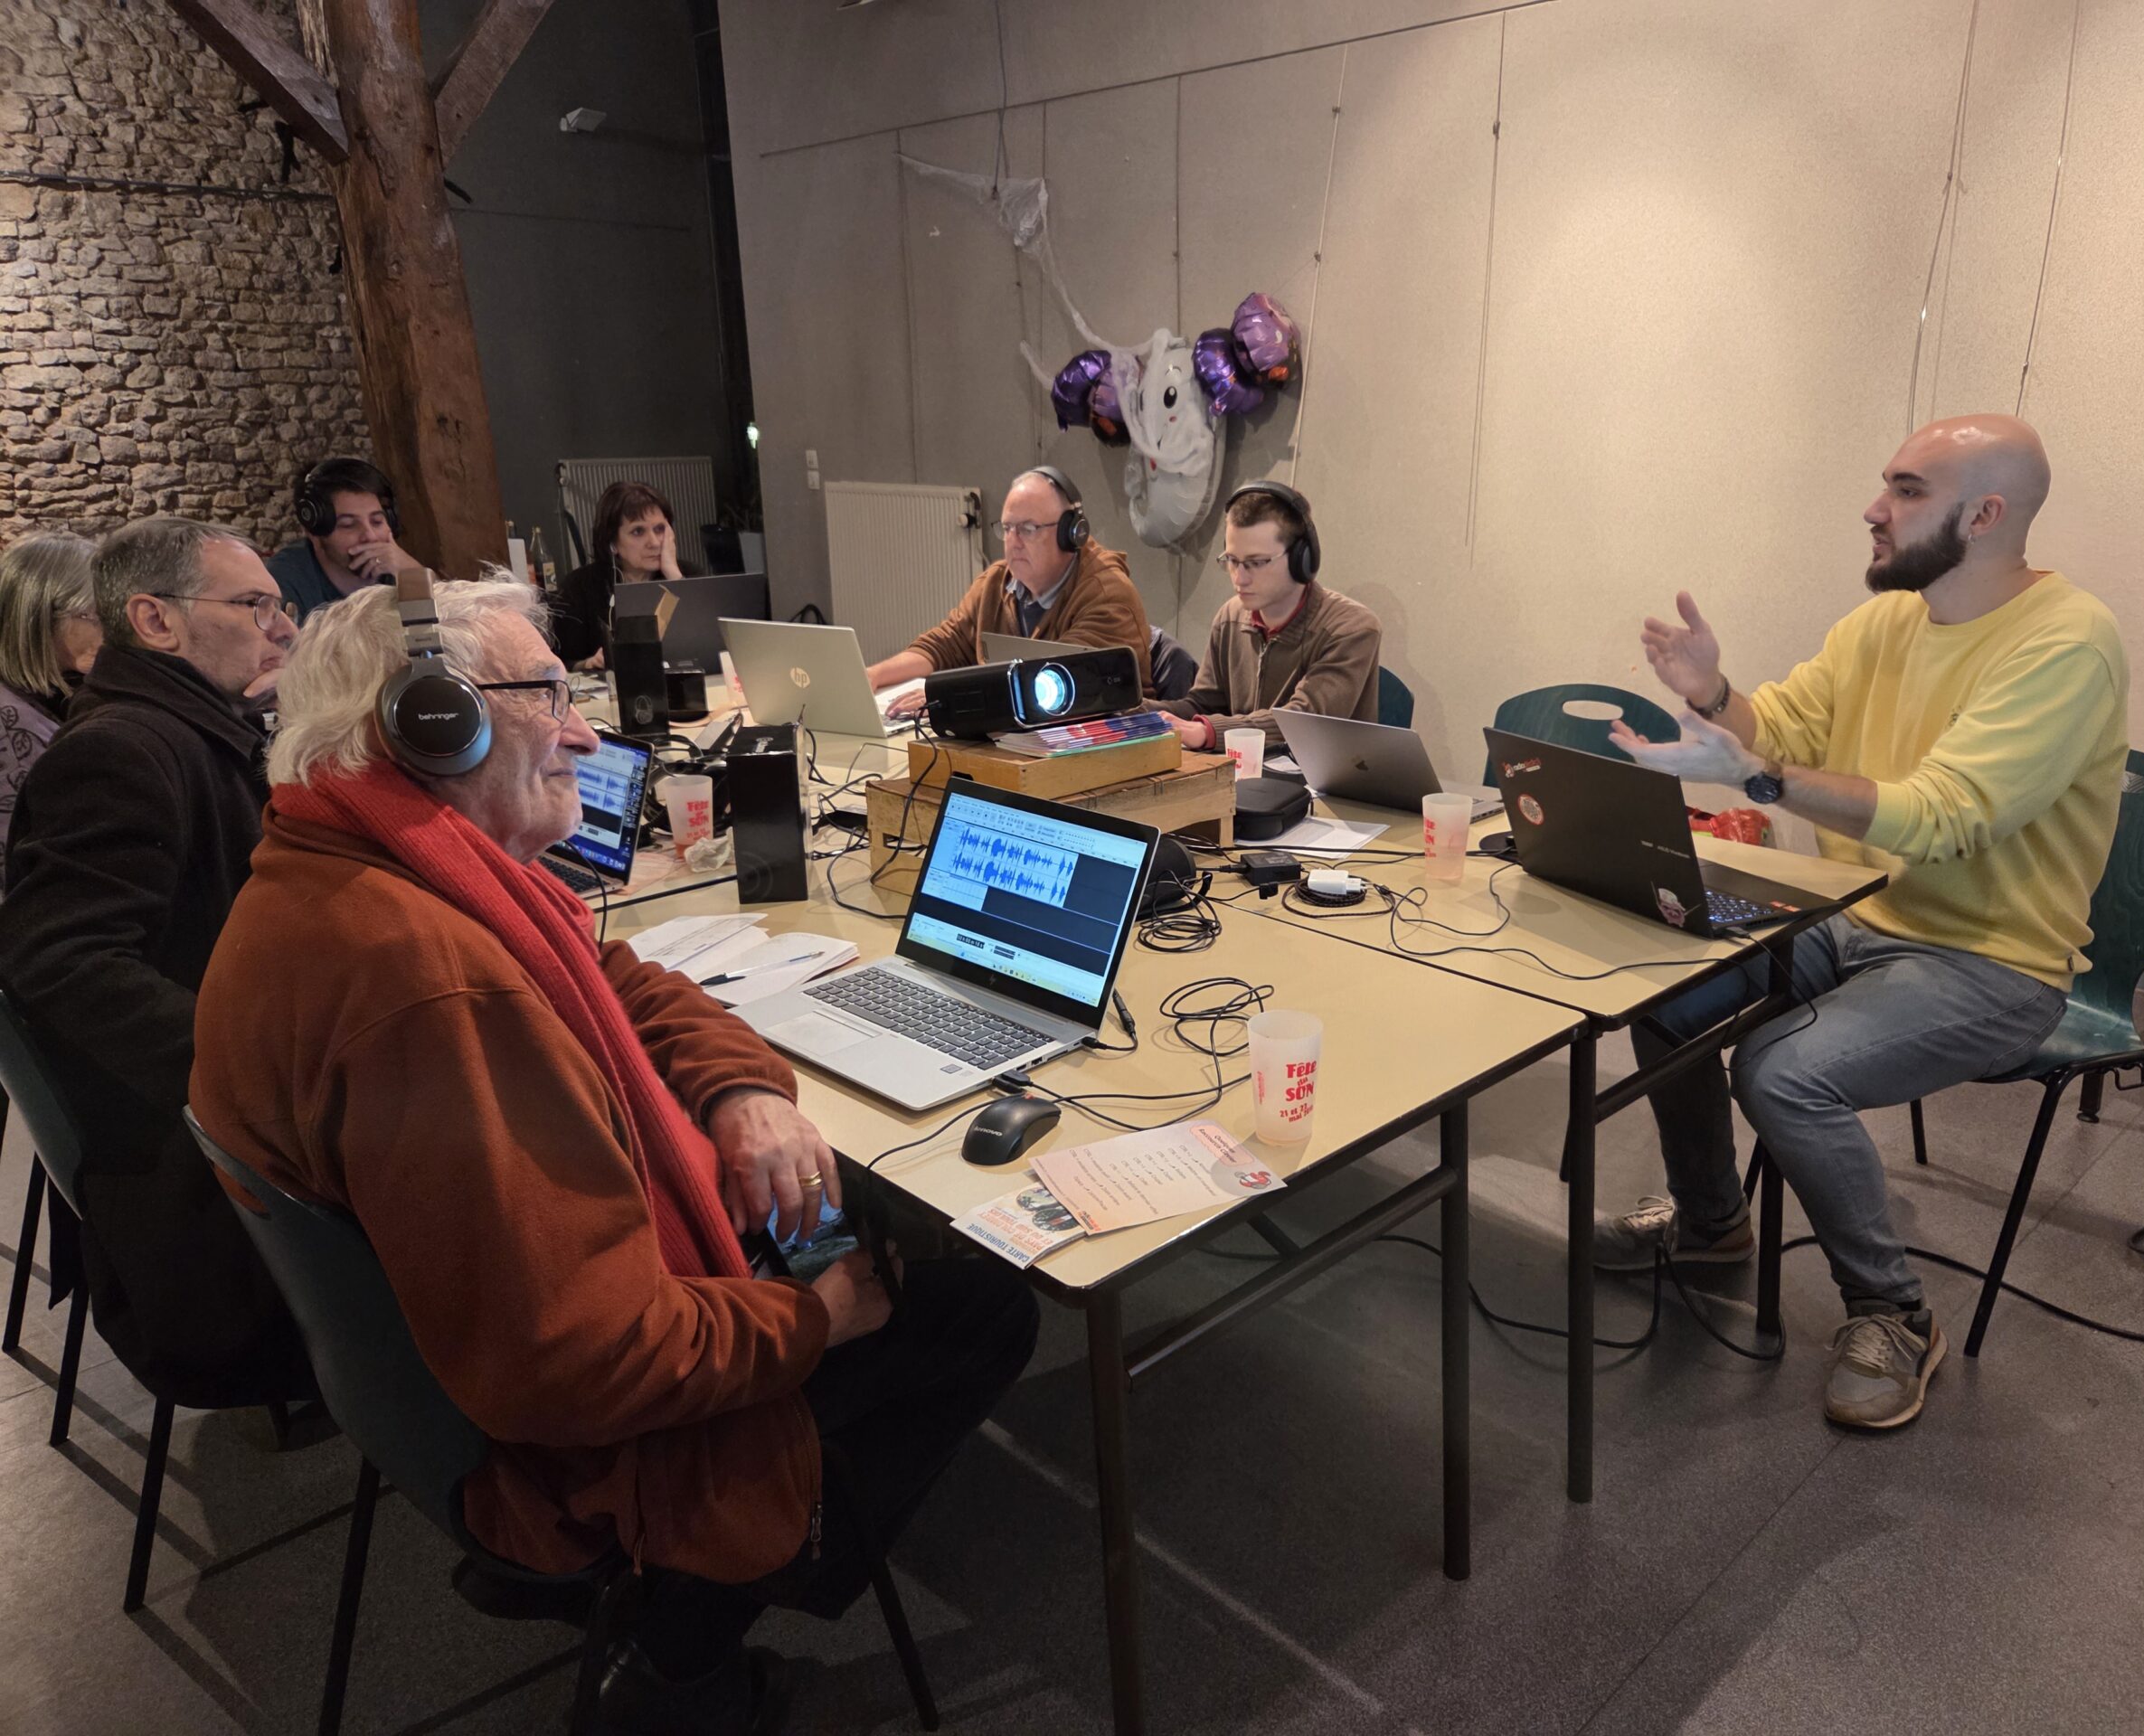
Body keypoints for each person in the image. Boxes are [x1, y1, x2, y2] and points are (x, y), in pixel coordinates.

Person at [192, 578, 1039, 1733]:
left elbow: (627, 979)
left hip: (435, 1387)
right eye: (546, 697)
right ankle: (680, 1646)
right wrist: (814, 1320)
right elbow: (587, 1362)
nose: (587, 735)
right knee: (980, 1306)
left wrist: (742, 1090)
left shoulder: (362, 867)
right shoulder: (432, 986)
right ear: (435, 722)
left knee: (829, 1217)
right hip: (564, 1443)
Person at [1595, 414, 2129, 1431]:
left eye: (1907, 490)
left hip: (1996, 960)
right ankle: (1710, 1222)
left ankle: (1893, 1312)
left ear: (1985, 515)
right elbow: (1779, 728)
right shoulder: (1883, 624)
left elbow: (1945, 816)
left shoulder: (2068, 640)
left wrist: (1761, 776)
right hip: (1850, 920)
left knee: (1781, 1072)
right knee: (1662, 995)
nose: (1874, 510)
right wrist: (1715, 693)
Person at [0, 517, 311, 1410]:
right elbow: (60, 959)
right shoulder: (123, 749)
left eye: (281, 608)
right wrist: (249, 1067)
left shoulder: (184, 727)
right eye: (254, 606)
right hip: (207, 1198)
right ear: (155, 620)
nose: (282, 630)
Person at [864, 466, 1151, 709]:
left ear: (1071, 533)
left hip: (1105, 742)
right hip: (1019, 740)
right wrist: (874, 675)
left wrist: (947, 697)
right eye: (1007, 528)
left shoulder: (1107, 595)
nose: (1013, 541)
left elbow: (1052, 680)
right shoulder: (995, 583)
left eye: (1028, 529)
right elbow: (945, 645)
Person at [1152, 481, 1381, 750]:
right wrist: (1132, 711)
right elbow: (1204, 704)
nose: (1240, 578)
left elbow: (1302, 722)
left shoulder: (1352, 629)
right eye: (1232, 560)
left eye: (1256, 563)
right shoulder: (1230, 617)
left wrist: (1208, 731)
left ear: (1301, 558)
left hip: (1321, 776)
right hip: (1245, 770)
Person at [0, 532, 102, 847]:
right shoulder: (11, 722)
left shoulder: (55, 694)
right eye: (94, 615)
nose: (110, 632)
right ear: (39, 616)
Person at [547, 479, 699, 668]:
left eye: (660, 529)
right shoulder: (579, 587)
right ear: (612, 542)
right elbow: (560, 663)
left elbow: (707, 642)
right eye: (638, 531)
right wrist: (588, 664)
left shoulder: (686, 575)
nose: (654, 542)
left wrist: (674, 577)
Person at [266, 457, 418, 621]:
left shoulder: (399, 571)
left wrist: (414, 574)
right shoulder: (286, 579)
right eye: (348, 525)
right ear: (314, 533)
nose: (370, 536)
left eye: (377, 521)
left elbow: (437, 628)